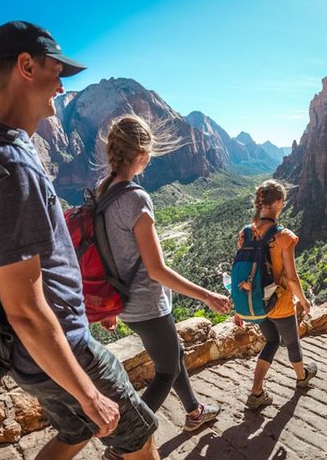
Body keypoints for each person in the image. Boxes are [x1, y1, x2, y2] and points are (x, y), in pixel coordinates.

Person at [0, 21, 158, 460]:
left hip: (30, 356)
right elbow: (26, 309)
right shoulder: (10, 167)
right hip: (62, 350)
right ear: (27, 66)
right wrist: (88, 392)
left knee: (74, 434)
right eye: (57, 71)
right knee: (139, 439)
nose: (62, 86)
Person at [95, 114, 232, 459]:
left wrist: (108, 305)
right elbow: (157, 270)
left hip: (126, 302)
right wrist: (207, 295)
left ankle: (194, 413)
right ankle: (126, 442)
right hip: (147, 304)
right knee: (166, 371)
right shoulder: (136, 198)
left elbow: (105, 252)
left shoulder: (103, 191)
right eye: (149, 152)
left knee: (175, 356)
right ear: (140, 153)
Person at [233, 180, 318, 409]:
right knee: (292, 342)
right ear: (279, 203)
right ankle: (302, 378)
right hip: (278, 303)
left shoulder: (245, 232)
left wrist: (238, 306)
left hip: (256, 303)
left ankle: (256, 392)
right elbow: (291, 278)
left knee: (271, 340)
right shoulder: (285, 237)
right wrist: (304, 301)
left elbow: (242, 270)